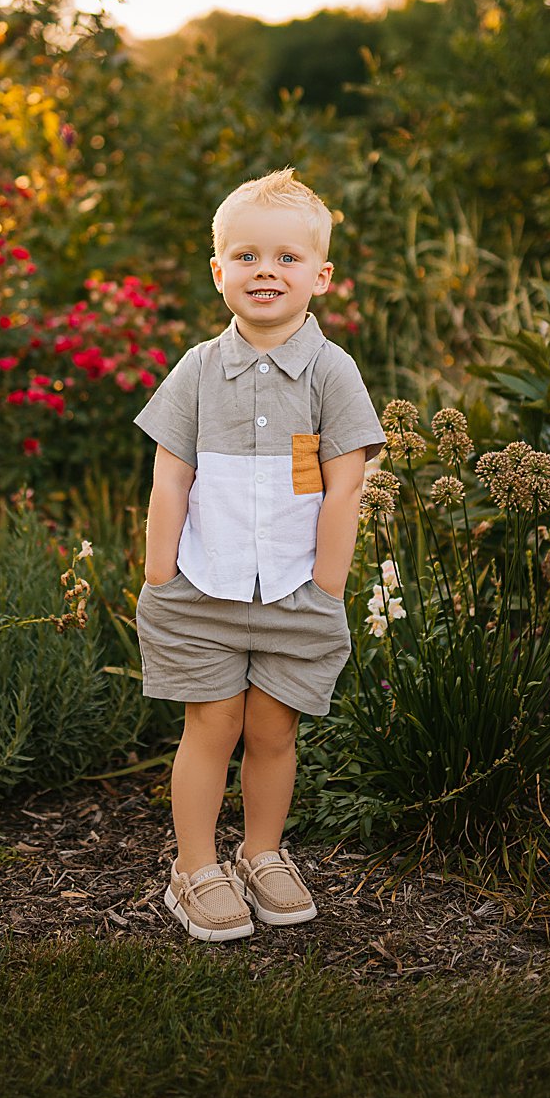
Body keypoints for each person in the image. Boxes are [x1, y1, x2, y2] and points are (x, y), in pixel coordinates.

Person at [131, 168, 385, 942]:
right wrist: (160, 575)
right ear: (219, 272)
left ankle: (263, 851)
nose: (265, 271)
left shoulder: (331, 372)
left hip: (296, 591)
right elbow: (170, 476)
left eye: (285, 258)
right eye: (245, 256)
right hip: (204, 588)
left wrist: (327, 585)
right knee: (211, 725)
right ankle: (195, 866)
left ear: (321, 275)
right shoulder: (198, 370)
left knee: (274, 729)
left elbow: (345, 487)